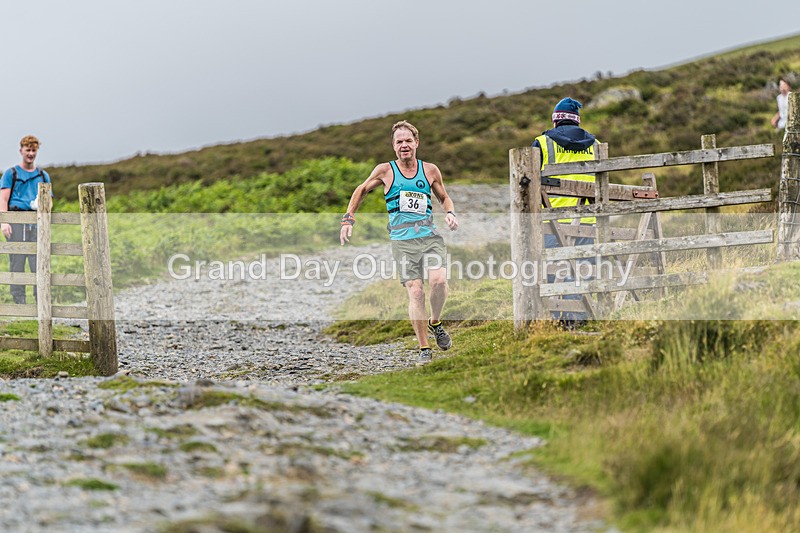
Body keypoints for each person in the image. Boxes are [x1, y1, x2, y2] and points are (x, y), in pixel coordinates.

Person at [340, 120, 459, 365]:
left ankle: (435, 322)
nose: (404, 145)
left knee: (439, 282)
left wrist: (450, 213)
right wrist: (348, 218)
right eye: (399, 142)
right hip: (402, 242)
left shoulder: (430, 170)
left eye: (408, 141)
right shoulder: (385, 171)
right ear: (393, 146)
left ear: (417, 143)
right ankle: (425, 348)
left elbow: (444, 197)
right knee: (416, 292)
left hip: (429, 237)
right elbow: (361, 190)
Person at [533, 97, 598, 324]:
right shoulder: (596, 144)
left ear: (555, 121)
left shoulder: (542, 143)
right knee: (582, 268)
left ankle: (557, 318)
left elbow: (530, 182)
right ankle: (579, 317)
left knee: (552, 271)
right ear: (577, 121)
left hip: (553, 220)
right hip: (588, 220)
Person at [0, 135, 52, 304]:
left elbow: (49, 200)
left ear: (37, 151)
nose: (30, 153)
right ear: (21, 151)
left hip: (36, 222)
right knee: (17, 261)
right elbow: (3, 199)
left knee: (39, 262)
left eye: (33, 150)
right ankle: (19, 303)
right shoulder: (11, 173)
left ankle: (40, 302)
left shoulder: (43, 176)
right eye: (27, 150)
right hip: (16, 221)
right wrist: (4, 221)